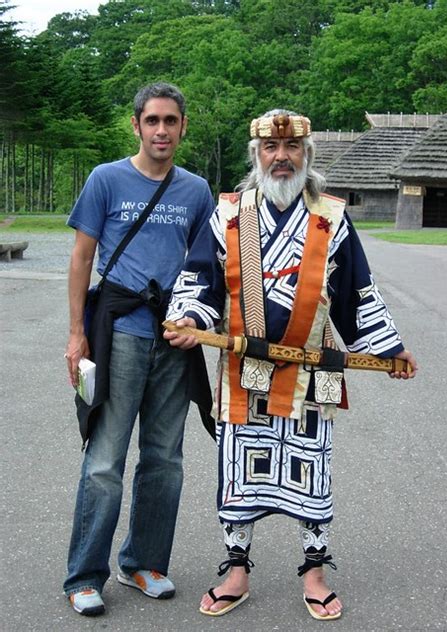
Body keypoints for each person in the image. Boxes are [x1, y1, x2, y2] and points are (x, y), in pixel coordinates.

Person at [164, 109, 417, 621]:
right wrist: (190, 316)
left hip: (312, 372)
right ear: (256, 156)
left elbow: (356, 293)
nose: (281, 158)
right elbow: (199, 280)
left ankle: (314, 571)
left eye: (292, 148)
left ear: (307, 154)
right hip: (245, 371)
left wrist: (388, 347)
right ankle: (236, 568)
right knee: (240, 471)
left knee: (311, 469)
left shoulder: (332, 218)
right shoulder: (228, 215)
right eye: (271, 150)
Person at [63, 82, 215, 616]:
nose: (161, 131)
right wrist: (76, 333)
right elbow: (82, 258)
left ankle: (144, 562)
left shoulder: (196, 191)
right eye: (152, 121)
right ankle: (84, 575)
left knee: (164, 459)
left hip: (175, 336)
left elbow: (207, 268)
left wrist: (196, 319)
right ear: (136, 124)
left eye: (171, 121)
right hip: (120, 331)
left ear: (182, 126)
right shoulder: (107, 179)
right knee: (105, 458)